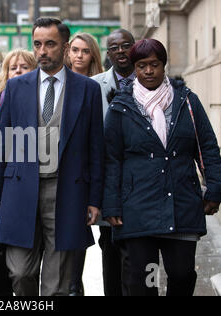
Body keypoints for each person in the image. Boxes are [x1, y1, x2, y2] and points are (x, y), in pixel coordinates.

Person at [0, 18, 104, 296]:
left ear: (64, 47)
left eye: (50, 44)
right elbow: (2, 144)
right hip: (20, 190)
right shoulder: (17, 87)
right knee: (20, 271)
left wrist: (95, 199)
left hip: (67, 191)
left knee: (57, 285)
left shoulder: (87, 89)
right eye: (37, 44)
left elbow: (96, 147)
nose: (42, 51)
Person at [103, 39, 221, 296]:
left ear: (164, 65)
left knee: (182, 275)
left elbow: (207, 147)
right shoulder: (121, 107)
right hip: (138, 210)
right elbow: (111, 159)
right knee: (145, 282)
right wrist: (111, 204)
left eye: (154, 65)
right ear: (135, 68)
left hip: (180, 204)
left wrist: (216, 188)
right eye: (142, 66)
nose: (148, 71)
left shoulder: (187, 102)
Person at [91, 29, 136, 296]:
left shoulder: (149, 82)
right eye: (114, 48)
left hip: (140, 182)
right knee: (109, 248)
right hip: (108, 181)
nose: (120, 51)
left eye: (126, 46)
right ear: (108, 54)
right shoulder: (94, 86)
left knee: (138, 253)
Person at [66, 32, 104, 296]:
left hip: (89, 173)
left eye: (85, 51)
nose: (79, 56)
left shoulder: (99, 85)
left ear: (93, 55)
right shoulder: (58, 83)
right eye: (75, 50)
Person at [0, 49, 37, 125]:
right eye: (13, 68)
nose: (18, 70)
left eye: (24, 67)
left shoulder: (41, 101)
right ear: (7, 74)